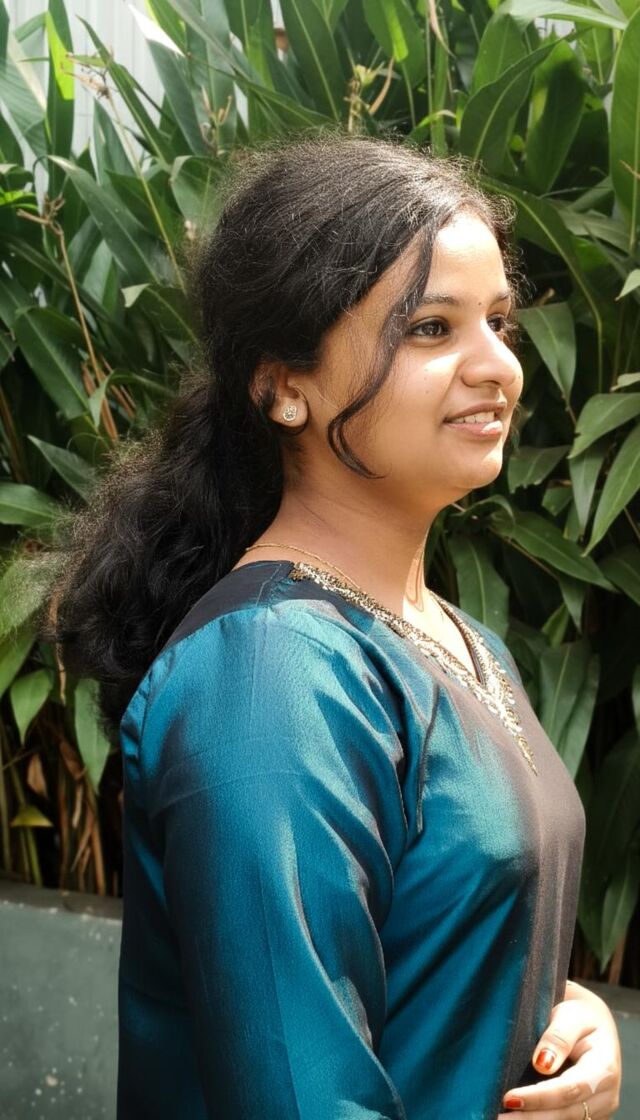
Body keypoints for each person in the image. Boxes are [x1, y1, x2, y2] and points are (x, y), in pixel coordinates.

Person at [45, 134, 622, 1119]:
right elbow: (296, 1087)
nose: (497, 365)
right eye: (431, 328)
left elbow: (442, 952)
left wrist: (574, 1022)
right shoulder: (271, 670)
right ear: (284, 386)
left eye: (498, 321)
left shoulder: (461, 641)